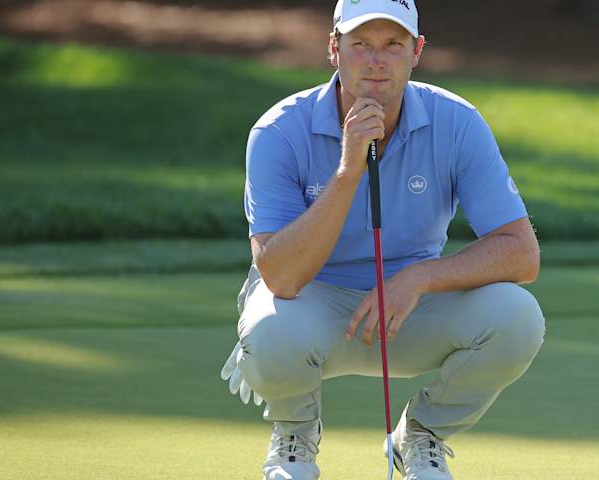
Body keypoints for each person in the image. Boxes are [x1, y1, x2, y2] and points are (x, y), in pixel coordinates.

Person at [220, 1, 546, 478]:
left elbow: (521, 253)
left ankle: (421, 436)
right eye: (360, 45)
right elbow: (281, 276)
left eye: (393, 45)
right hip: (312, 308)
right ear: (334, 49)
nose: (376, 61)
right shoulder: (277, 131)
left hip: (409, 311)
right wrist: (350, 169)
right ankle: (294, 435)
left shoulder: (457, 122)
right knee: (268, 326)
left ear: (417, 51)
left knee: (517, 316)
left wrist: (419, 278)